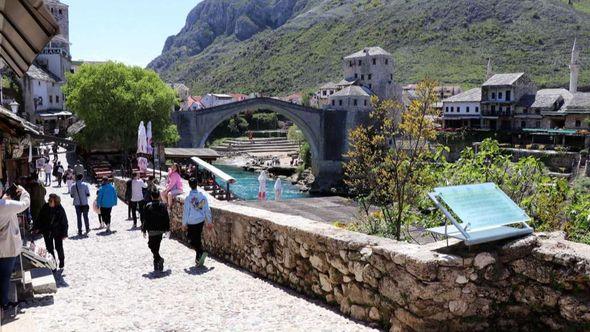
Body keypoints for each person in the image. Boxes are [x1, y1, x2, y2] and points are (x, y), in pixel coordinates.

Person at [0, 184, 30, 312]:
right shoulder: (6, 205)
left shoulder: (5, 204)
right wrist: (24, 191)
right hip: (7, 247)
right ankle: (4, 302)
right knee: (5, 275)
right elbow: (24, 204)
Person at [182, 177, 212, 267]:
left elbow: (186, 212)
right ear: (197, 185)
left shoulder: (188, 198)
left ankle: (201, 252)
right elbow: (207, 210)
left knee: (191, 240)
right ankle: (198, 257)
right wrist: (209, 221)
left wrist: (184, 224)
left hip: (191, 222)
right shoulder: (202, 197)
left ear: (189, 185)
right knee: (197, 239)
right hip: (200, 221)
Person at [32, 194, 68, 269]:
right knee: (49, 248)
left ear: (55, 201)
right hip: (47, 231)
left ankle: (61, 261)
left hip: (57, 232)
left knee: (59, 247)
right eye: (49, 200)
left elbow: (64, 222)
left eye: (51, 201)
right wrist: (35, 227)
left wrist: (64, 234)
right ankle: (53, 263)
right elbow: (39, 218)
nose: (49, 202)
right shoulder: (45, 207)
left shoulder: (60, 209)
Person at [142, 190, 170, 272]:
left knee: (152, 245)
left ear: (151, 196)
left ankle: (157, 260)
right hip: (159, 229)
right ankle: (158, 260)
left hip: (152, 229)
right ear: (158, 196)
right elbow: (166, 218)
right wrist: (167, 229)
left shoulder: (149, 206)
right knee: (153, 246)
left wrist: (144, 229)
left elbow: (145, 219)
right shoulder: (162, 206)